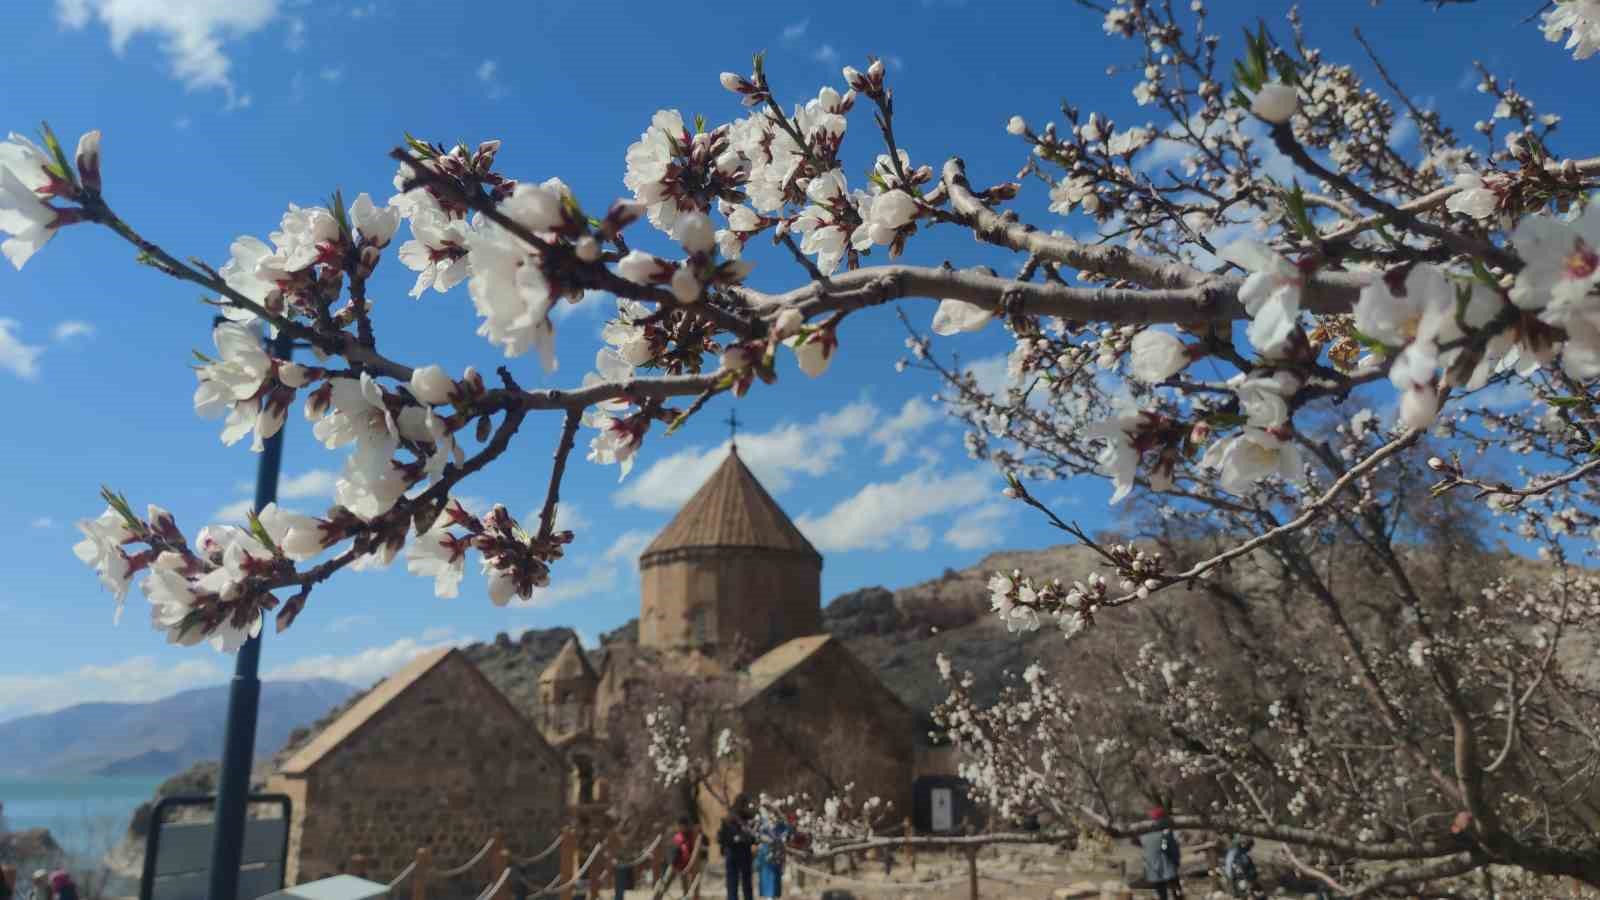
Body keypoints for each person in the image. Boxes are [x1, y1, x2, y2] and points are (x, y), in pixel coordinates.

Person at [1137, 807, 1184, 900]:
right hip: (1167, 867)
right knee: (1176, 889)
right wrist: (1176, 861)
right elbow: (1167, 848)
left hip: (1153, 869)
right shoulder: (1165, 833)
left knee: (1161, 893)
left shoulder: (1145, 834)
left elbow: (1142, 845)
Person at [718, 795, 756, 900]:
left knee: (746, 883)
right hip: (733, 853)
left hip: (744, 853)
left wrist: (747, 838)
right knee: (732, 883)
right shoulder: (728, 819)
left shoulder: (748, 820)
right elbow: (722, 838)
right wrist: (735, 839)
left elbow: (754, 838)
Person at [754, 811, 791, 898]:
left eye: (774, 817)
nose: (773, 819)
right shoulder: (763, 826)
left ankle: (773, 896)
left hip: (777, 855)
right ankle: (769, 896)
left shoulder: (781, 826)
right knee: (767, 877)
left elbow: (788, 831)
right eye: (771, 817)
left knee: (776, 877)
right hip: (765, 854)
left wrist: (782, 838)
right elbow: (757, 835)